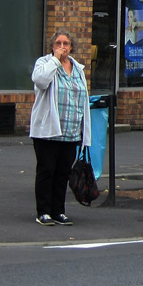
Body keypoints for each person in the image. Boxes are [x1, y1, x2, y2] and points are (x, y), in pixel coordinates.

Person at [30, 30, 92, 226]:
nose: (62, 46)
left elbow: (81, 98)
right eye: (58, 43)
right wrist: (55, 61)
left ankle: (58, 211)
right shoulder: (44, 64)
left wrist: (83, 130)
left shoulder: (78, 68)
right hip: (48, 131)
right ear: (52, 46)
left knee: (62, 173)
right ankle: (43, 212)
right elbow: (40, 81)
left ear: (72, 46)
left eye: (66, 43)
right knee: (46, 171)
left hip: (71, 132)